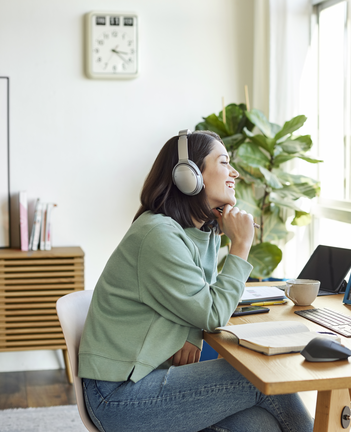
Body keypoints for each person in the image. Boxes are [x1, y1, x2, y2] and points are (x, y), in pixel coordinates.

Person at [78, 130, 313, 432]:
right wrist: (241, 245)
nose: (235, 173)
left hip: (148, 379)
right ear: (188, 176)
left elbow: (199, 298)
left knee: (262, 424)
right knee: (258, 375)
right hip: (118, 396)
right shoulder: (158, 235)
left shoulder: (195, 233)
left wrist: (192, 331)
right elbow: (214, 313)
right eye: (224, 162)